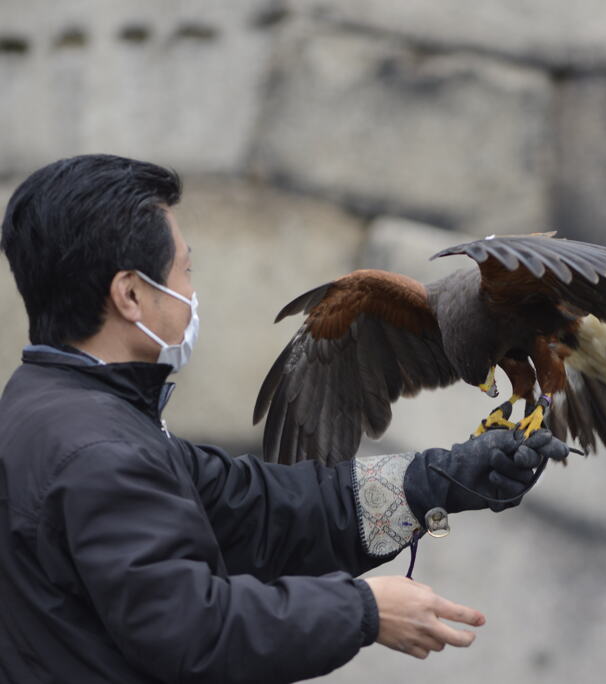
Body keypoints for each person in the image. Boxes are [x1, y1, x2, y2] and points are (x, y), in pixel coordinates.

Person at [0, 154, 569, 683]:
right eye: (184, 271)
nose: (192, 293)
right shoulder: (97, 450)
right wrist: (364, 609)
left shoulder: (61, 412)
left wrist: (435, 481)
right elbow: (192, 630)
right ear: (130, 294)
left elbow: (258, 510)